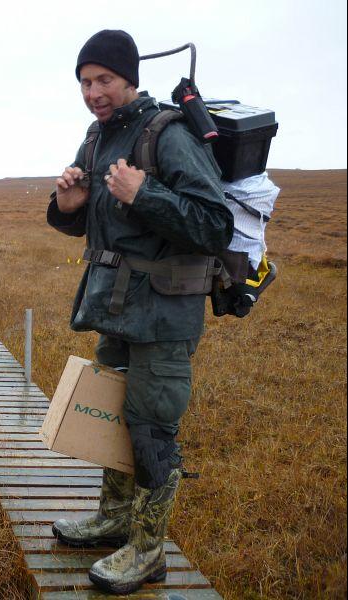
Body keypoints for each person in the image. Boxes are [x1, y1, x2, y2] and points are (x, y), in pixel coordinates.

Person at [47, 30, 234, 595]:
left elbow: (212, 223)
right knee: (114, 414)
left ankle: (149, 552)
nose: (93, 92)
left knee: (152, 426)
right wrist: (66, 204)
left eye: (104, 80)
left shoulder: (168, 134)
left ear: (129, 78)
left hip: (163, 313)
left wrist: (143, 193)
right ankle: (114, 519)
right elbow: (89, 220)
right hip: (115, 307)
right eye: (85, 82)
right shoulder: (97, 136)